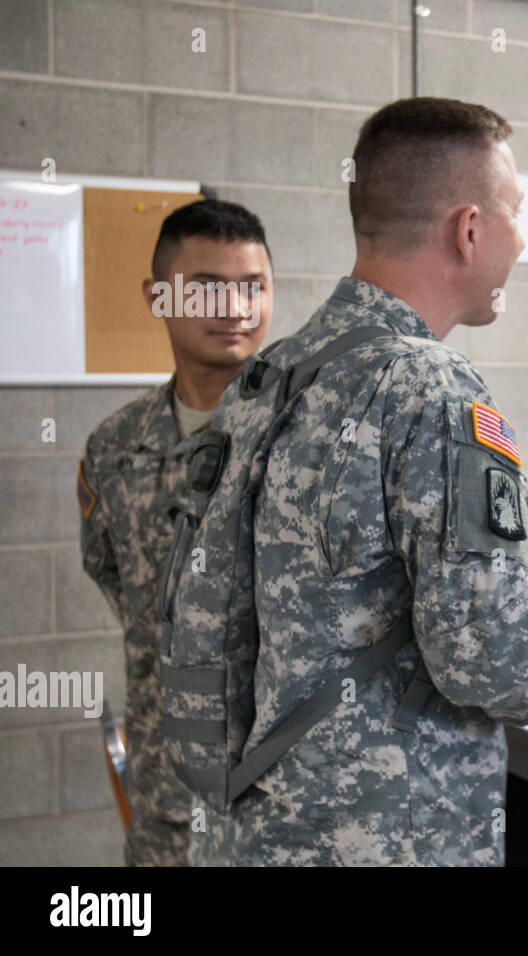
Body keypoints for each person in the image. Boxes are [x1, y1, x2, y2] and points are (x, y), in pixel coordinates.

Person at [184, 97, 528, 867]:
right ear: (470, 228)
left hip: (260, 824)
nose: (520, 243)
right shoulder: (432, 385)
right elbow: (489, 654)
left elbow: (351, 545)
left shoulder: (279, 371)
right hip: (385, 836)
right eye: (514, 216)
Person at [79, 199, 276, 865]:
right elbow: (117, 579)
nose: (236, 307)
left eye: (253, 285)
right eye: (208, 288)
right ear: (157, 296)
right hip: (167, 797)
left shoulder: (307, 436)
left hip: (289, 804)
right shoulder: (114, 447)